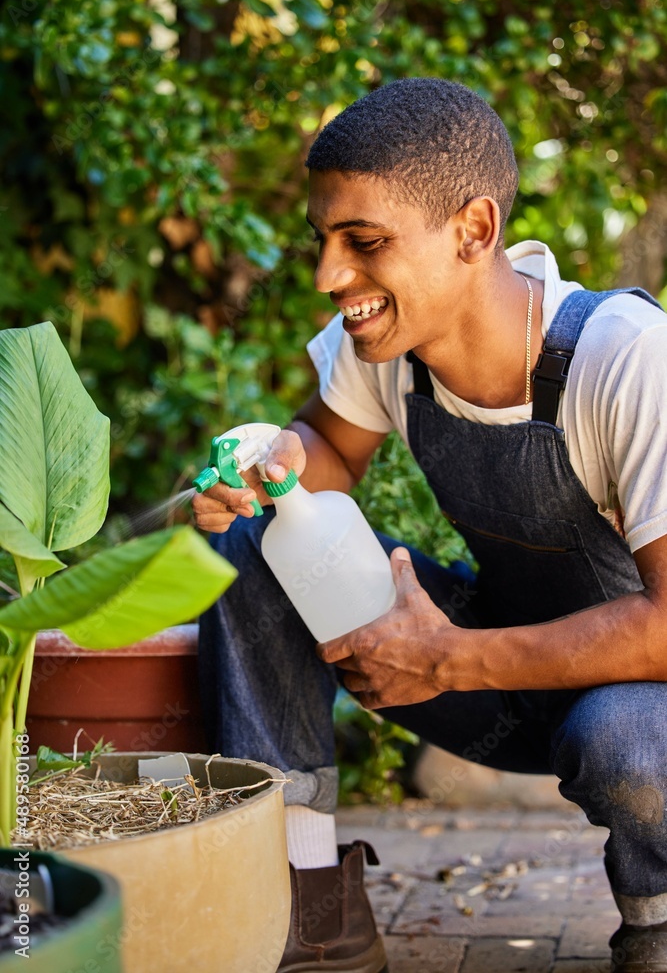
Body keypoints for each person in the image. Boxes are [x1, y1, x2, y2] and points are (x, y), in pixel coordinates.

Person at [192, 78, 667, 973]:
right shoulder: (387, 343)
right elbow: (325, 453)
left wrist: (445, 656)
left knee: (631, 742)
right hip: (491, 676)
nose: (331, 277)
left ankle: (657, 924)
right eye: (324, 241)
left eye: (363, 243)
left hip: (633, 698)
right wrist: (275, 468)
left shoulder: (624, 360)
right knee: (250, 537)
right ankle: (306, 902)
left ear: (473, 231)